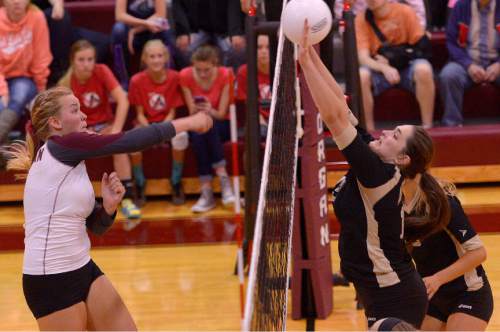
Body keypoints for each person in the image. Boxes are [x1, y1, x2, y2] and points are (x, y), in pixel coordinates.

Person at [4, 86, 211, 329]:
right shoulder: (62, 146)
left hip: (82, 268)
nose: (84, 116)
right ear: (56, 122)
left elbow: (96, 227)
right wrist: (190, 121)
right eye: (75, 110)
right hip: (51, 279)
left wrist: (109, 208)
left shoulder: (66, 160)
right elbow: (131, 140)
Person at [298, 21, 434, 328]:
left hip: (394, 295)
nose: (385, 133)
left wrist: (304, 62)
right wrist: (310, 53)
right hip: (382, 291)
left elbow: (332, 117)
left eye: (395, 135)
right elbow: (340, 103)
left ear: (402, 158)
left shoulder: (379, 173)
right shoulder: (374, 157)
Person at [58, 39, 141, 222]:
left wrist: (116, 129)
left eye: (90, 59)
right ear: (73, 60)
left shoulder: (102, 71)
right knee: (65, 147)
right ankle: (70, 201)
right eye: (81, 59)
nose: (86, 64)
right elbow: (62, 118)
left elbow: (124, 99)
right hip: (82, 130)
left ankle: (127, 199)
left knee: (118, 142)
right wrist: (81, 132)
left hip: (105, 126)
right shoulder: (66, 83)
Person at [403, 176, 493, 330]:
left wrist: (438, 279)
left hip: (468, 293)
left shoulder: (442, 203)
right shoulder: (393, 207)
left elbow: (479, 253)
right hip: (431, 296)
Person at [355, 0, 435, 131]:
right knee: (361, 75)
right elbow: (363, 58)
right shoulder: (360, 19)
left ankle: (427, 127)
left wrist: (394, 60)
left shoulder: (405, 11)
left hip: (407, 66)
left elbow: (422, 49)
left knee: (424, 69)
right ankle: (369, 131)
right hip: (379, 69)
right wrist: (384, 68)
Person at [128, 39, 188, 205]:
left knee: (181, 136)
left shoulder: (175, 77)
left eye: (160, 56)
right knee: (132, 138)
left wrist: (162, 130)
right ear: (144, 60)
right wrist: (151, 130)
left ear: (166, 58)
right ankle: (139, 183)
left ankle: (175, 182)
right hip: (146, 123)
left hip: (168, 123)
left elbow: (172, 112)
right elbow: (139, 114)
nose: (156, 60)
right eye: (152, 56)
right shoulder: (136, 80)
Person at [179, 45, 235, 213]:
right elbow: (191, 112)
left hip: (221, 124)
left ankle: (207, 193)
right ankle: (222, 181)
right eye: (198, 69)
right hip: (199, 124)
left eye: (207, 70)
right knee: (199, 131)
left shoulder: (226, 75)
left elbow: (221, 113)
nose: (202, 74)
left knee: (207, 127)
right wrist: (201, 112)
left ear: (215, 64)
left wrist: (209, 109)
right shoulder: (185, 76)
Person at [439, 0, 500, 127]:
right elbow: (451, 42)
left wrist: (499, 65)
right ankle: (452, 125)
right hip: (466, 61)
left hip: (496, 61)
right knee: (449, 75)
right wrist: (469, 65)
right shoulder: (461, 6)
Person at [0, 0, 52, 145]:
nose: (17, 1)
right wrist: (3, 90)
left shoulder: (37, 17)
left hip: (23, 78)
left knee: (20, 93)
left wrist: (41, 92)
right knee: (1, 104)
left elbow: (41, 57)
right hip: (1, 77)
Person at [30, 0, 110, 85]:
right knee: (58, 18)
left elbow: (58, 11)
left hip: (60, 28)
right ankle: (60, 74)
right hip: (34, 27)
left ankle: (71, 73)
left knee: (103, 43)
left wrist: (57, 4)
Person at [172, 0, 246, 70]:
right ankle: (190, 80)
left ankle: (232, 80)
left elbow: (235, 5)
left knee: (235, 48)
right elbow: (178, 5)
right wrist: (183, 32)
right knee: (185, 48)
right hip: (196, 28)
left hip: (225, 29)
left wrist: (235, 32)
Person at [235, 34, 271, 138]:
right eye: (259, 47)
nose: (263, 51)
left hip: (279, 120)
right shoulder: (244, 72)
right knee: (258, 131)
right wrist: (261, 122)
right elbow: (246, 105)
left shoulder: (284, 70)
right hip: (256, 119)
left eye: (268, 47)